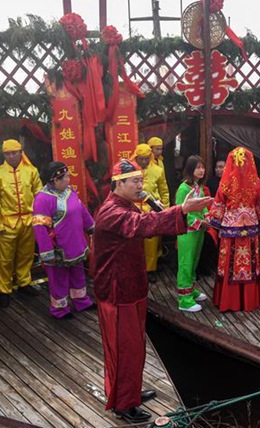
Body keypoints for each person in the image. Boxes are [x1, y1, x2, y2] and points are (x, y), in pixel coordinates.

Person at [91, 159, 212, 423]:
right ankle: (123, 404)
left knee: (136, 346)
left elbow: (146, 221)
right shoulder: (112, 212)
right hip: (117, 292)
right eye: (134, 181)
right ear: (117, 184)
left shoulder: (127, 205)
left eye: (140, 180)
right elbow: (143, 226)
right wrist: (181, 210)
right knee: (125, 349)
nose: (140, 185)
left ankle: (130, 392)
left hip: (131, 287)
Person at [208, 147, 260, 311]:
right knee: (249, 264)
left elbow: (218, 206)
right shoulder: (255, 183)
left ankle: (228, 300)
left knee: (229, 264)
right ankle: (249, 300)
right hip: (250, 229)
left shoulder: (226, 183)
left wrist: (214, 223)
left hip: (230, 230)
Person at [32, 162, 95, 319]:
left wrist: (91, 227)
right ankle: (60, 309)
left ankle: (81, 301)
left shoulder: (69, 191)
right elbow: (40, 229)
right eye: (66, 177)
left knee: (78, 273)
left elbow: (82, 210)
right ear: (55, 180)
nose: (69, 179)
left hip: (76, 243)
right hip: (58, 246)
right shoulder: (43, 199)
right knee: (59, 279)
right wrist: (47, 252)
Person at [0, 139, 43, 307]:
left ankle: (24, 282)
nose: (11, 156)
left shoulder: (31, 171)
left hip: (28, 220)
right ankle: (3, 290)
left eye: (14, 152)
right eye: (7, 153)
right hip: (7, 223)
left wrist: (39, 220)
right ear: (4, 155)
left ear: (21, 152)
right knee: (4, 259)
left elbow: (39, 196)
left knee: (26, 255)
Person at [174, 155, 211, 312]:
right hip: (187, 231)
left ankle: (191, 289)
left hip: (199, 230)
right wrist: (199, 222)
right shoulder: (183, 189)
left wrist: (208, 217)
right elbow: (180, 211)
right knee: (185, 262)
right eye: (197, 167)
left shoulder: (198, 187)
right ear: (190, 169)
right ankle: (184, 299)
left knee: (194, 261)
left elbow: (202, 206)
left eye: (202, 167)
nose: (201, 170)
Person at [132, 143, 170, 282]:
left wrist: (165, 209)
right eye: (140, 158)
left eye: (146, 158)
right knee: (133, 241)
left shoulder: (158, 170)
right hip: (133, 210)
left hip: (152, 209)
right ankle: (135, 268)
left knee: (151, 241)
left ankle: (150, 269)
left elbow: (164, 191)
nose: (143, 161)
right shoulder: (129, 170)